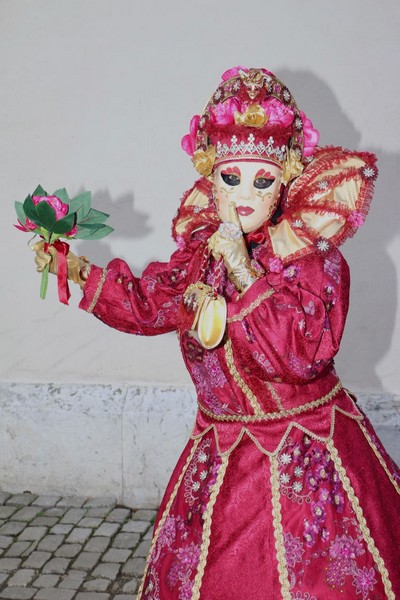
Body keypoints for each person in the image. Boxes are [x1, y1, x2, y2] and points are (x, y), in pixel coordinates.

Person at [34, 67, 400, 600]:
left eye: (263, 179)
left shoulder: (311, 260)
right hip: (220, 449)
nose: (245, 195)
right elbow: (153, 305)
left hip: (306, 454)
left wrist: (245, 271)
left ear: (287, 179)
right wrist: (76, 271)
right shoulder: (201, 253)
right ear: (212, 176)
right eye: (231, 178)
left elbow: (298, 356)